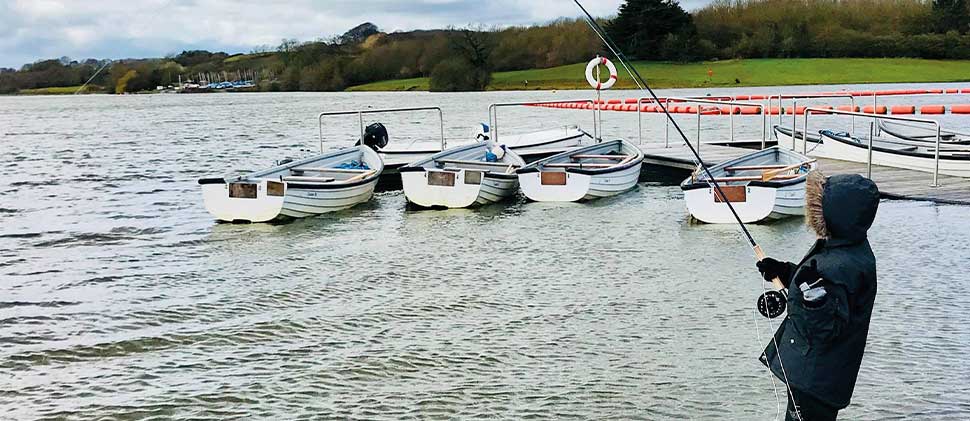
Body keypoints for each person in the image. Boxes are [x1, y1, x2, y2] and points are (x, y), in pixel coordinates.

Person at [757, 171, 880, 421]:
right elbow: (819, 285)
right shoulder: (848, 248)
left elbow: (826, 327)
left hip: (816, 379)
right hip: (821, 375)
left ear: (838, 215)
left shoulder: (842, 265)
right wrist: (785, 272)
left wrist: (811, 296)